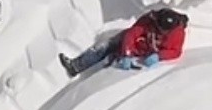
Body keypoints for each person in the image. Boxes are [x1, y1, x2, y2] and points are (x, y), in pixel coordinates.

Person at [59, 7, 188, 80]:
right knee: (105, 45)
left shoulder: (177, 33)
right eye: (159, 28)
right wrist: (127, 53)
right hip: (134, 43)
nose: (161, 32)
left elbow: (175, 51)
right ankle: (76, 66)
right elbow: (131, 34)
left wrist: (159, 56)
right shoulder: (148, 21)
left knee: (111, 67)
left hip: (146, 52)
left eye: (164, 31)